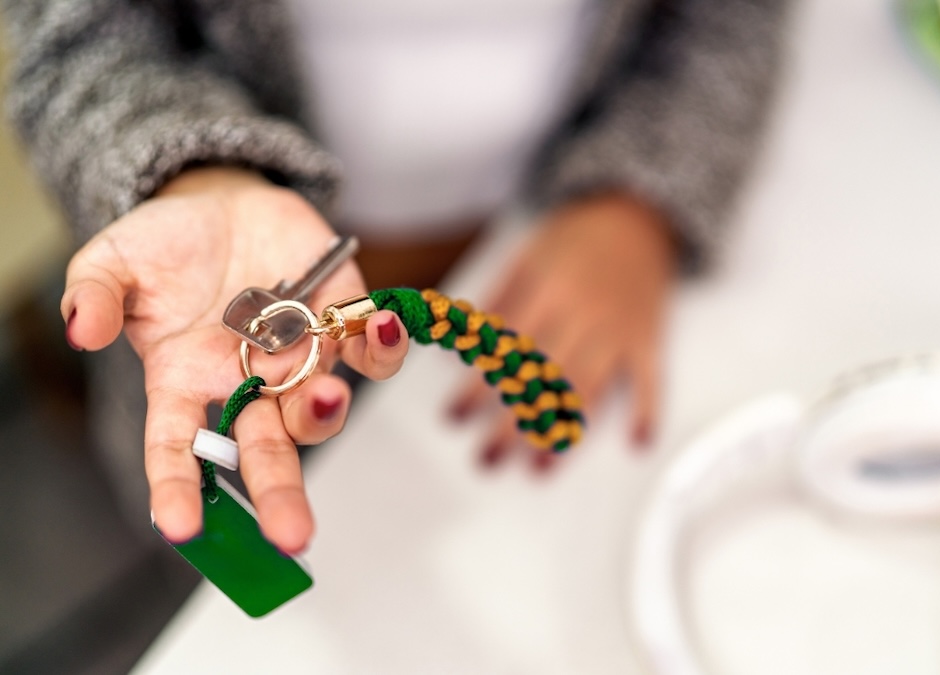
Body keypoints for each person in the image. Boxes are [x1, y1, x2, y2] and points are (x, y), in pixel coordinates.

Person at [1, 0, 789, 554]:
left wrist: (641, 192)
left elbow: (730, 15)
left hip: (530, 249)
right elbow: (77, 37)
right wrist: (194, 172)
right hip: (201, 303)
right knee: (230, 541)